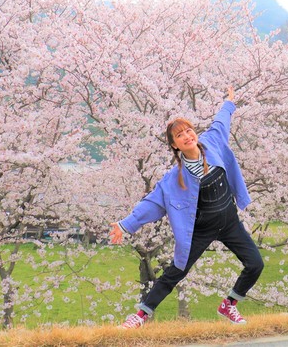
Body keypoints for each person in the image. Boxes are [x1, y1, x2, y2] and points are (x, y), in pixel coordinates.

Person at [110, 87, 264, 327]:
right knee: (175, 272)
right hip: (201, 230)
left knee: (256, 264)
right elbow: (150, 204)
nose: (187, 136)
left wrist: (229, 103)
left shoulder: (212, 142)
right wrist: (125, 224)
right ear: (175, 145)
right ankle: (140, 316)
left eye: (189, 131)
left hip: (230, 222)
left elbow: (221, 121)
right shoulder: (173, 179)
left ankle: (229, 304)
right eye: (180, 135)